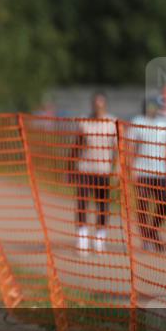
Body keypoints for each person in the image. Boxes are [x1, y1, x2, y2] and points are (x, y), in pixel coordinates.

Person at [127, 96, 166, 253]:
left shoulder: (164, 124)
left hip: (159, 172)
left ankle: (152, 232)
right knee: (142, 206)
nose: (153, 109)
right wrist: (130, 170)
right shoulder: (137, 122)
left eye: (156, 106)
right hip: (141, 171)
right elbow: (131, 148)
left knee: (164, 204)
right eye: (151, 106)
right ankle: (145, 239)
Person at [71, 92, 118, 254]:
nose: (98, 107)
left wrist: (117, 168)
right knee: (82, 204)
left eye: (101, 104)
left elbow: (118, 149)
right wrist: (71, 168)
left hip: (103, 171)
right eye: (95, 104)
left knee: (102, 206)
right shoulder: (84, 121)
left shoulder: (112, 123)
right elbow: (76, 147)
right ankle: (82, 239)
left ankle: (99, 239)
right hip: (85, 169)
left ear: (105, 105)